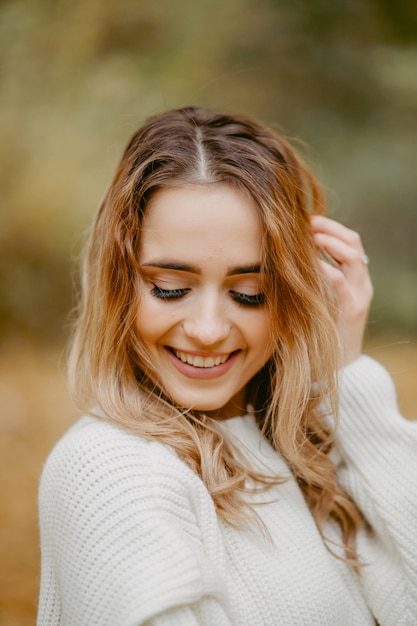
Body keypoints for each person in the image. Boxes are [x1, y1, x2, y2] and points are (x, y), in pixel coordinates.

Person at [37, 107, 417, 626]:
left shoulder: (300, 447)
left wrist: (346, 373)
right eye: (171, 288)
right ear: (117, 282)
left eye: (250, 293)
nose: (209, 329)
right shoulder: (114, 469)